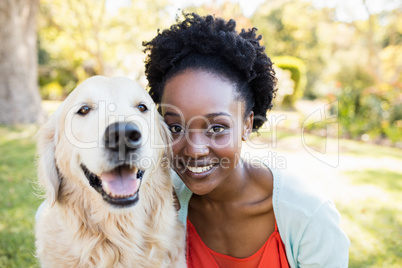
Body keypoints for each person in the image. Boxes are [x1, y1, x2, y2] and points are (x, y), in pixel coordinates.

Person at [143, 13, 350, 268]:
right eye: (175, 127)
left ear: (247, 123)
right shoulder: (162, 203)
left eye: (217, 128)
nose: (194, 150)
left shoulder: (308, 218)